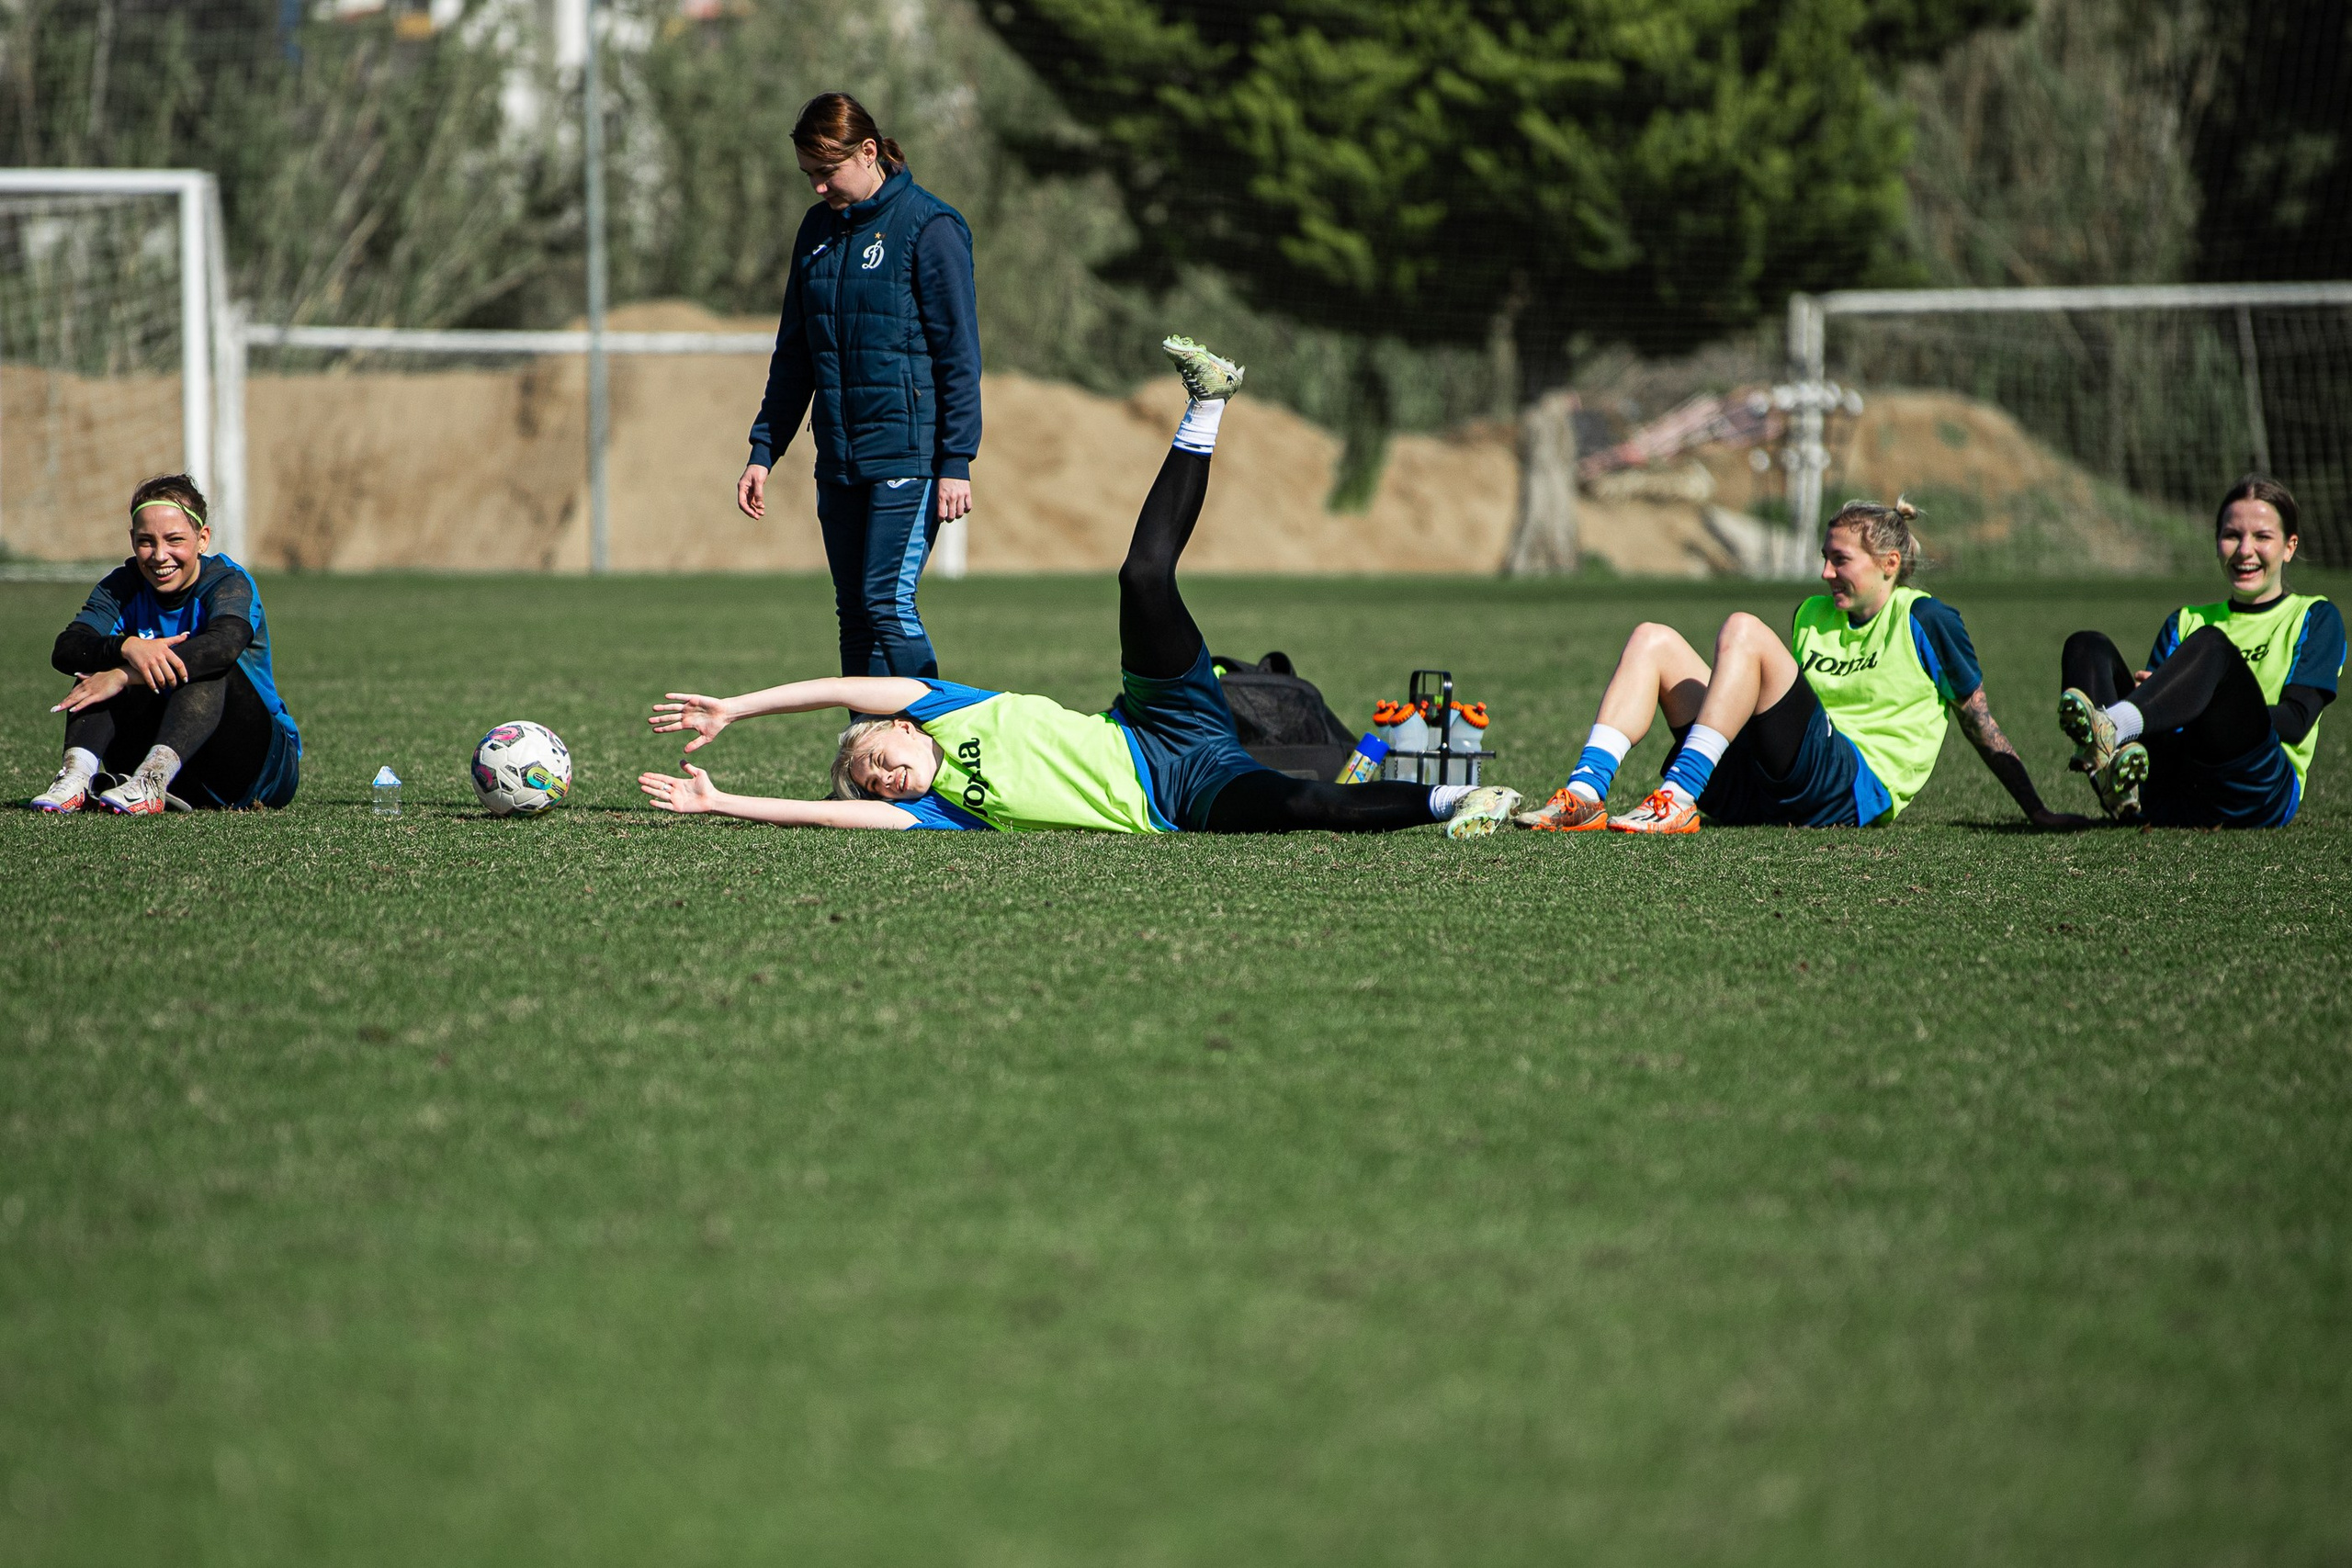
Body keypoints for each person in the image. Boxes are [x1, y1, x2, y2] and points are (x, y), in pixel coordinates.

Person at [647, 338, 1521, 837]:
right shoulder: (951, 812)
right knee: (1305, 805)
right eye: (874, 784)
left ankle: (1208, 404)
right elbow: (831, 820)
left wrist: (737, 707)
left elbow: (842, 687)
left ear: (899, 729)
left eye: (874, 760)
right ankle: (1456, 798)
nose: (881, 780)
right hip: (1180, 795)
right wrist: (721, 800)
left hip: (1156, 718)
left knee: (1142, 575)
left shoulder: (944, 707)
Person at [1516, 498, 2083, 834]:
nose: (1826, 574)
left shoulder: (1927, 619)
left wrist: (2037, 810)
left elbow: (1977, 720)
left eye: (1841, 560)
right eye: (1825, 559)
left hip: (1853, 787)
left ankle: (1678, 797)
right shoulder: (1812, 615)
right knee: (1653, 638)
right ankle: (1584, 793)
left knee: (1743, 629)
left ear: (1889, 564)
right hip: (1773, 789)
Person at [737, 91, 981, 682]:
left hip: (910, 453)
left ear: (868, 152)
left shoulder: (930, 226)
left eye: (826, 171)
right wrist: (764, 450)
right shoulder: (816, 232)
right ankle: (865, 772)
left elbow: (959, 356)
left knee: (887, 605)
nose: (818, 187)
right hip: (841, 458)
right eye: (808, 176)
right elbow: (795, 353)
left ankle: (930, 751)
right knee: (855, 617)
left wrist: (956, 460)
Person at [2057, 475, 2342, 828]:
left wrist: (2201, 701)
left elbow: (2297, 722)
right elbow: (2160, 731)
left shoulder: (2313, 616)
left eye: (2262, 537)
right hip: (2175, 792)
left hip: (2255, 791)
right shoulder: (2184, 620)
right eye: (2232, 535)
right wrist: (2166, 701)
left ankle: (2111, 728)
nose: (2244, 550)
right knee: (2086, 646)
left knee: (2213, 647)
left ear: (2289, 546)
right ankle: (2117, 781)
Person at [31, 475, 300, 814]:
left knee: (207, 666)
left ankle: (151, 782)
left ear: (202, 539)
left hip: (257, 768)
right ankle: (76, 778)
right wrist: (127, 647)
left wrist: (124, 674)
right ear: (132, 540)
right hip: (173, 763)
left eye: (174, 540)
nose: (160, 556)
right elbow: (68, 648)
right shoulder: (122, 586)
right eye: (146, 541)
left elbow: (223, 647)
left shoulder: (227, 582)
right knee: (94, 665)